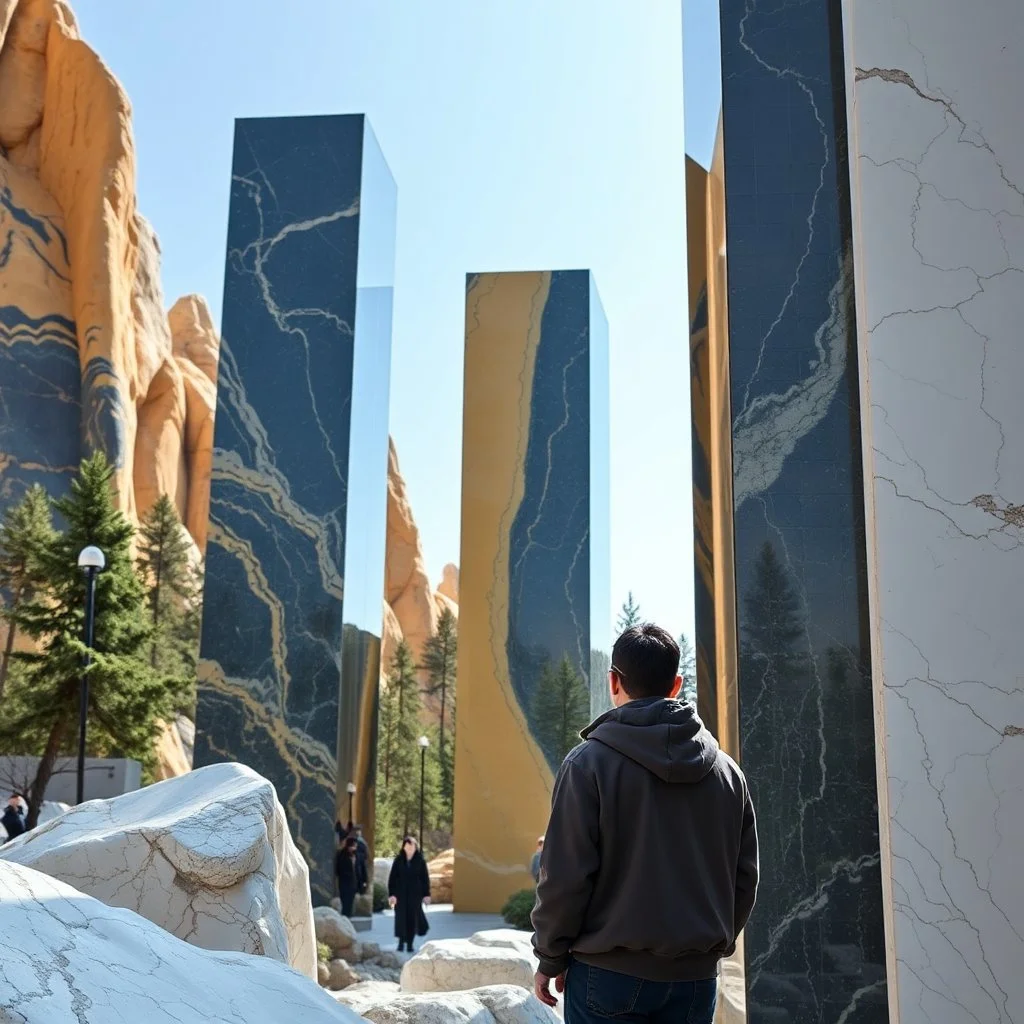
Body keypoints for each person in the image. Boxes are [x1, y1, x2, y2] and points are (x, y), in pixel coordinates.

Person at [532, 624, 759, 1024]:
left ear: (613, 681)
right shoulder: (728, 774)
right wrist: (709, 949)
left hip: (606, 975)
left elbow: (565, 877)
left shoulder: (587, 765)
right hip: (695, 980)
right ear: (676, 683)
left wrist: (551, 956)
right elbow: (744, 878)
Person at [388, 835, 431, 954]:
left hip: (415, 895)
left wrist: (426, 895)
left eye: (412, 847)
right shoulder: (398, 860)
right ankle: (401, 942)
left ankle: (410, 944)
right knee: (401, 918)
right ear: (403, 847)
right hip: (400, 894)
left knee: (412, 918)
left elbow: (424, 878)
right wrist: (392, 894)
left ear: (415, 847)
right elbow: (392, 878)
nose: (409, 849)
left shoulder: (420, 861)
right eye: (407, 847)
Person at [335, 836, 368, 918]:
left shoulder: (358, 856)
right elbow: (338, 870)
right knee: (345, 902)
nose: (354, 848)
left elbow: (363, 870)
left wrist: (364, 881)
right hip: (345, 883)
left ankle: (348, 917)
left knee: (350, 901)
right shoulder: (342, 855)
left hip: (355, 883)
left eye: (355, 846)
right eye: (352, 846)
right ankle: (345, 917)